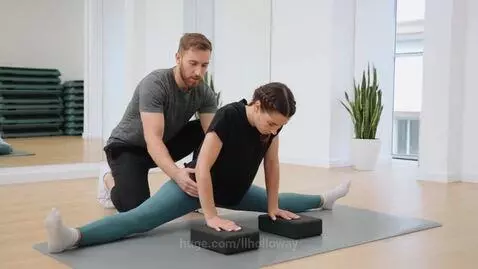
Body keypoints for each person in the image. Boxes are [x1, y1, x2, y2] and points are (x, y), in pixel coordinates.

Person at [44, 82, 351, 253]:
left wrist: (272, 207)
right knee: (140, 219)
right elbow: (202, 168)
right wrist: (212, 217)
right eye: (270, 122)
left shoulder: (271, 129)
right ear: (256, 105)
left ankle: (324, 200)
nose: (272, 131)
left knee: (284, 204)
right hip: (193, 188)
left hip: (235, 191)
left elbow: (271, 165)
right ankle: (72, 237)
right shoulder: (228, 117)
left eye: (279, 126)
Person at [97, 33, 218, 211]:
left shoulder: (204, 93)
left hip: (163, 143)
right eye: (193, 63)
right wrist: (177, 175)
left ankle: (195, 184)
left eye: (204, 65)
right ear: (178, 58)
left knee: (209, 134)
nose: (199, 72)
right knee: (135, 208)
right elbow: (153, 139)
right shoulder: (155, 84)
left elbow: (214, 136)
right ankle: (107, 177)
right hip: (127, 147)